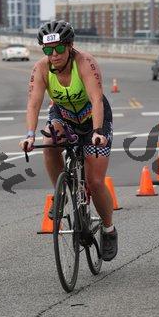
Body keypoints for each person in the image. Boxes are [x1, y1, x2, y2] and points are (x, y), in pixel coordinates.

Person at [19, 20, 118, 262]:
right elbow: (33, 103)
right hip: (63, 117)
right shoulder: (41, 68)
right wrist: (29, 135)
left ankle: (108, 229)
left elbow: (96, 99)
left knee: (95, 182)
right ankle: (61, 193)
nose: (54, 55)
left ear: (70, 46)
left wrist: (97, 131)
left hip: (93, 118)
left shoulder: (85, 62)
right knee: (49, 142)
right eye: (47, 50)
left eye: (59, 49)